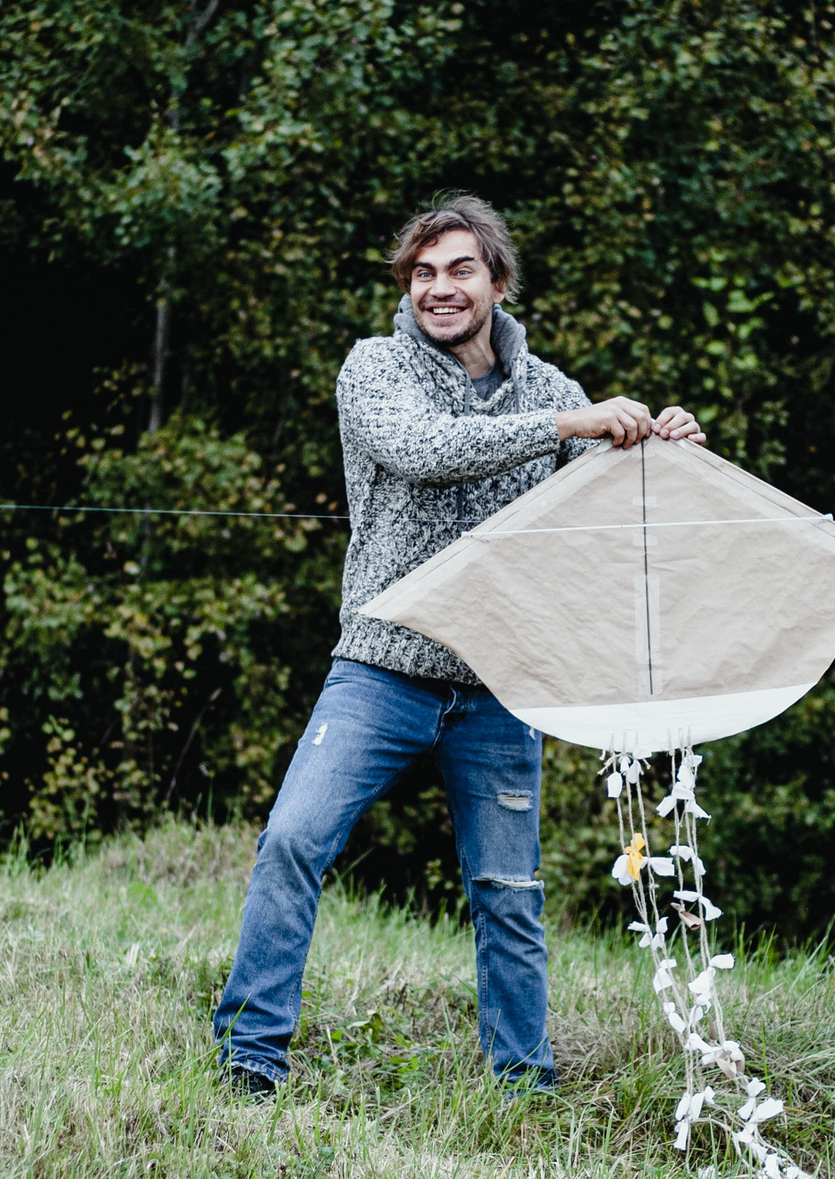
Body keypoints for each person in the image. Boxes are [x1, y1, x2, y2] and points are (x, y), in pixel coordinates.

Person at [212, 194, 703, 1094]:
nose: (439, 289)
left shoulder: (551, 389)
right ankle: (249, 1058)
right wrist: (576, 424)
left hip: (498, 686)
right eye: (423, 272)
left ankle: (523, 1085)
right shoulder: (375, 371)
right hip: (379, 669)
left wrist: (655, 443)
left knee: (508, 895)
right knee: (293, 841)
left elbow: (600, 503)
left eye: (460, 269)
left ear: (498, 283)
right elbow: (425, 448)